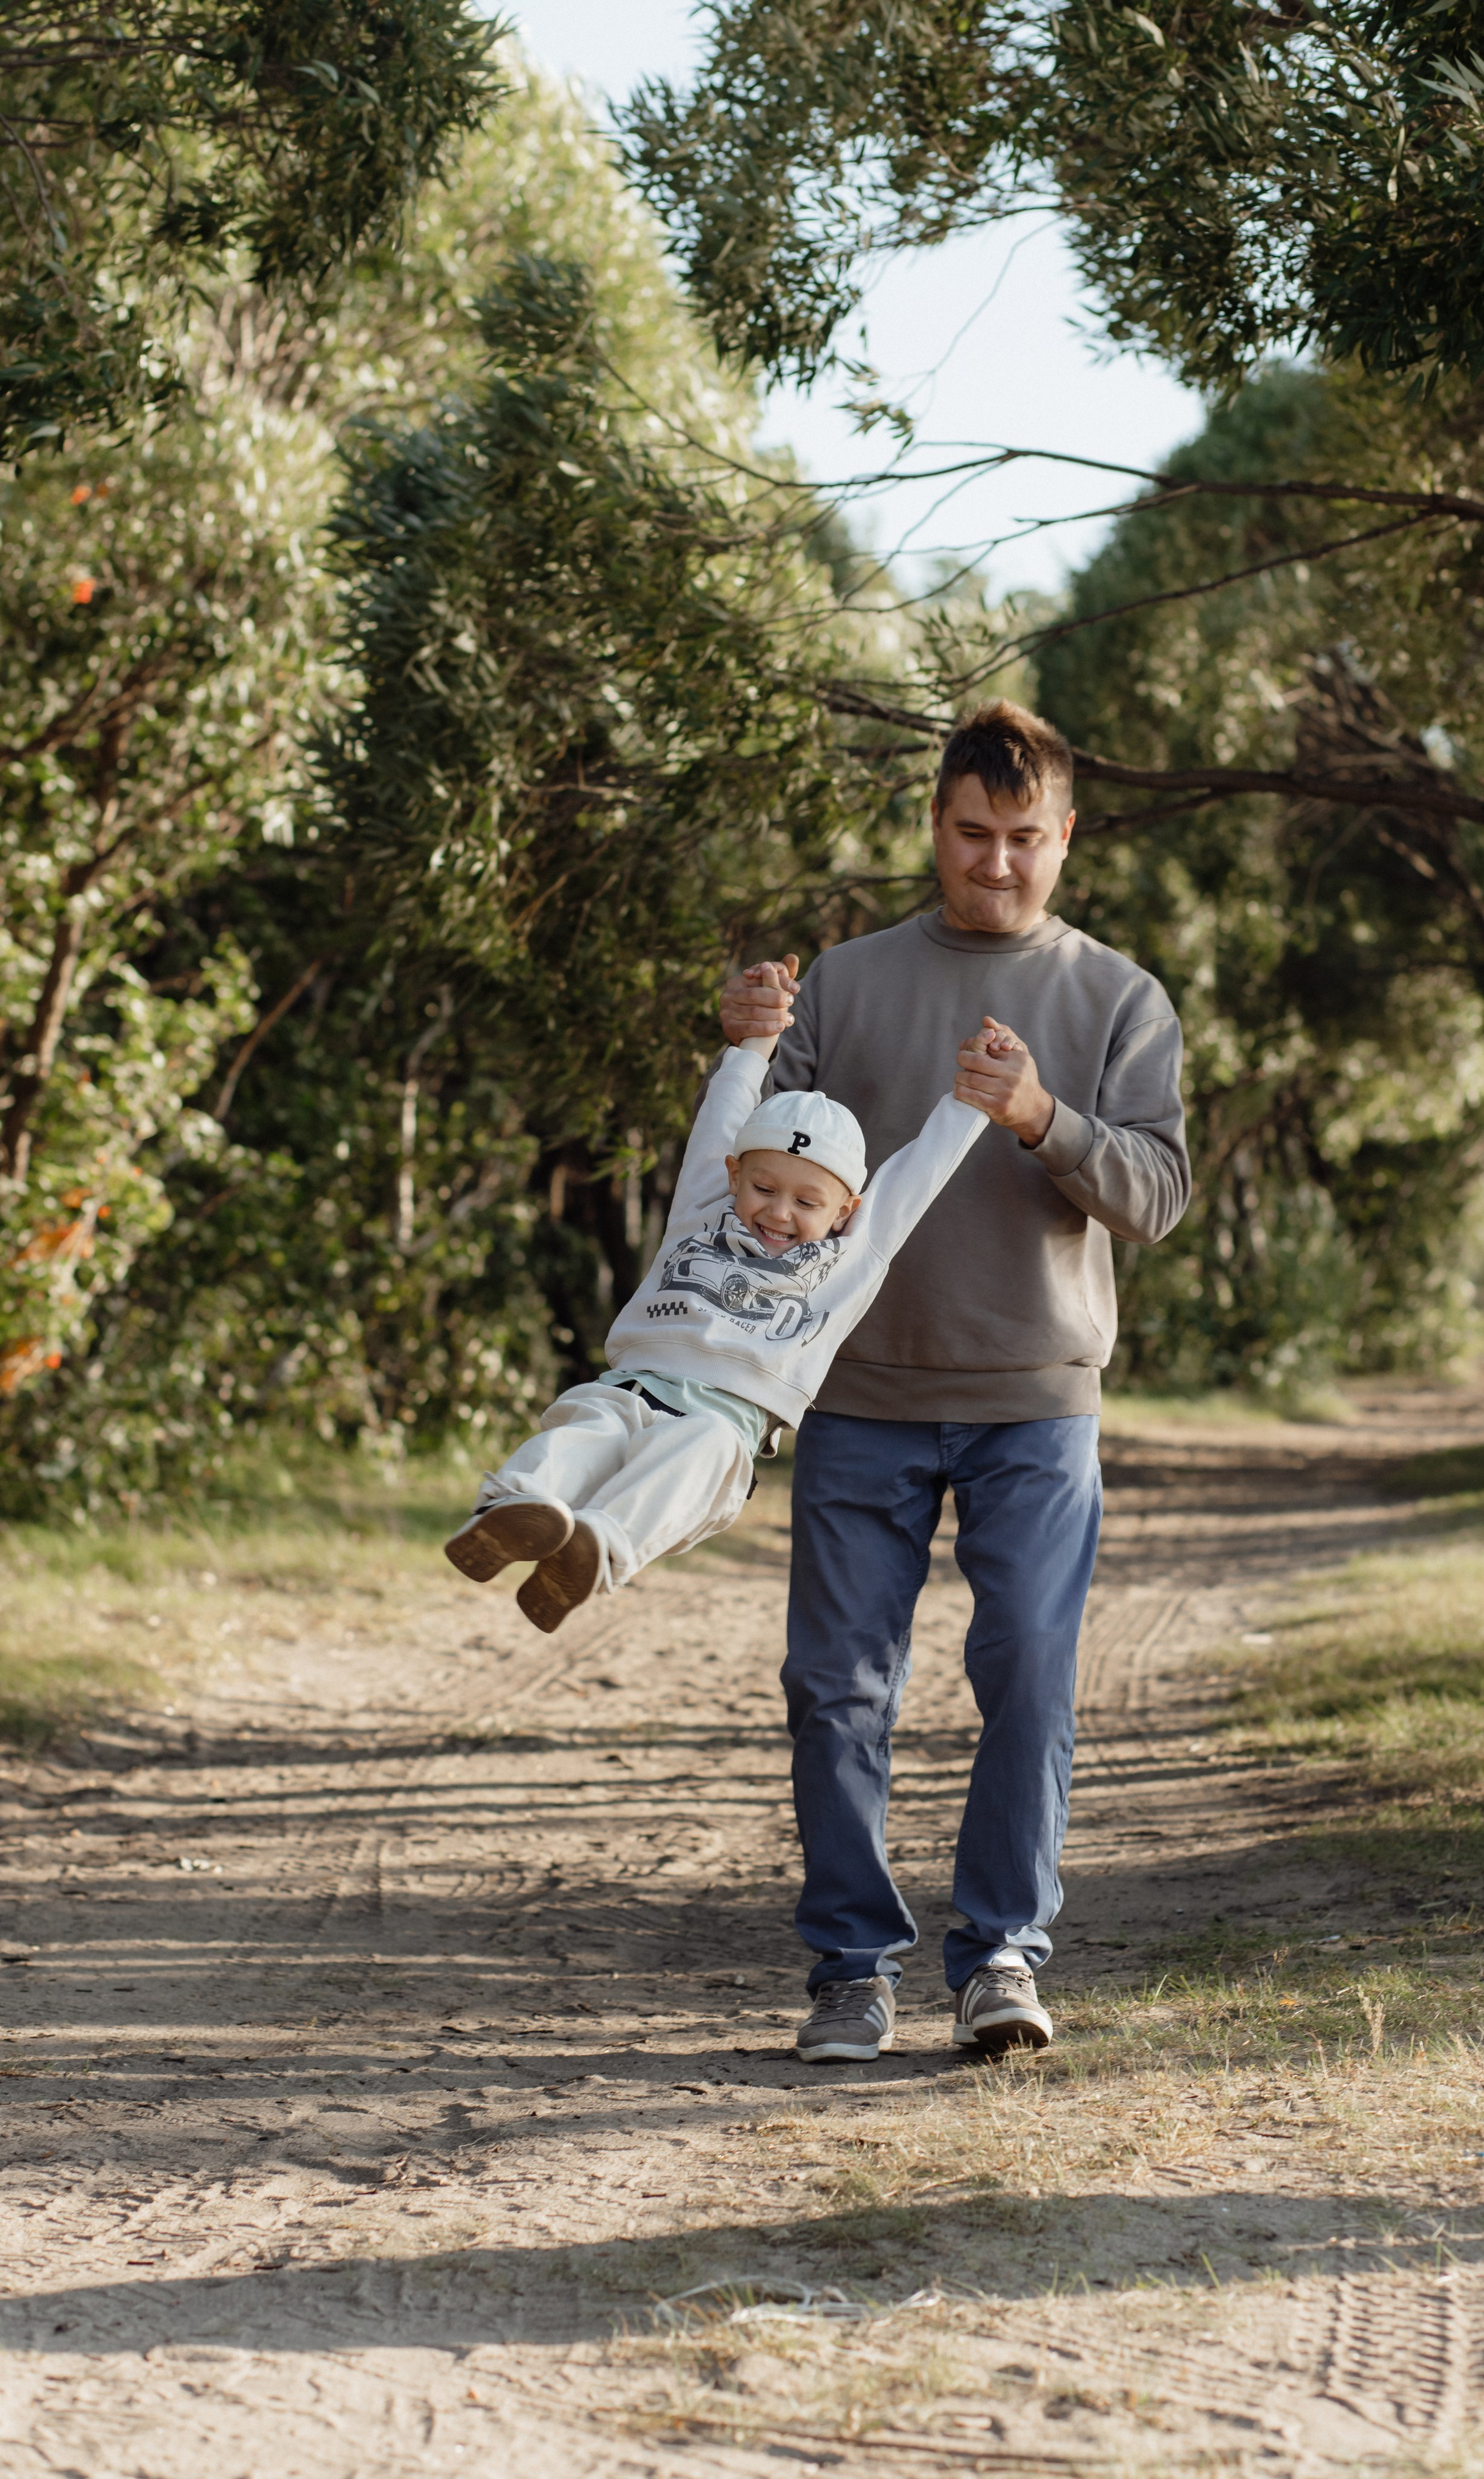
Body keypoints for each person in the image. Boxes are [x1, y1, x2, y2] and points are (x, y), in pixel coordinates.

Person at [721, 700, 1190, 2065]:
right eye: (972, 835)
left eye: (1023, 840)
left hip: (1036, 1397)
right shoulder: (853, 985)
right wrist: (747, 1046)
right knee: (834, 1688)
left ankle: (998, 1956)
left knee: (1030, 1674)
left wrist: (1044, 1118)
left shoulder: (1116, 999)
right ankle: (849, 1971)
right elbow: (750, 1179)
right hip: (857, 1386)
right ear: (934, 826)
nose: (995, 864)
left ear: (1064, 838)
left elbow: (1155, 1197)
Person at [443, 964, 1008, 1633]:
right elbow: (723, 1114)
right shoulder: (704, 1208)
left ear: (844, 1210)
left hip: (724, 1424)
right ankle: (508, 1514)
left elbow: (921, 1172)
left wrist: (972, 1100)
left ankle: (595, 1549)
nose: (777, 1212)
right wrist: (753, 1046)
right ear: (735, 1175)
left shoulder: (850, 1256)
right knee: (587, 1429)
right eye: (764, 1188)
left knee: (698, 1447)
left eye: (806, 1202)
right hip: (633, 1386)